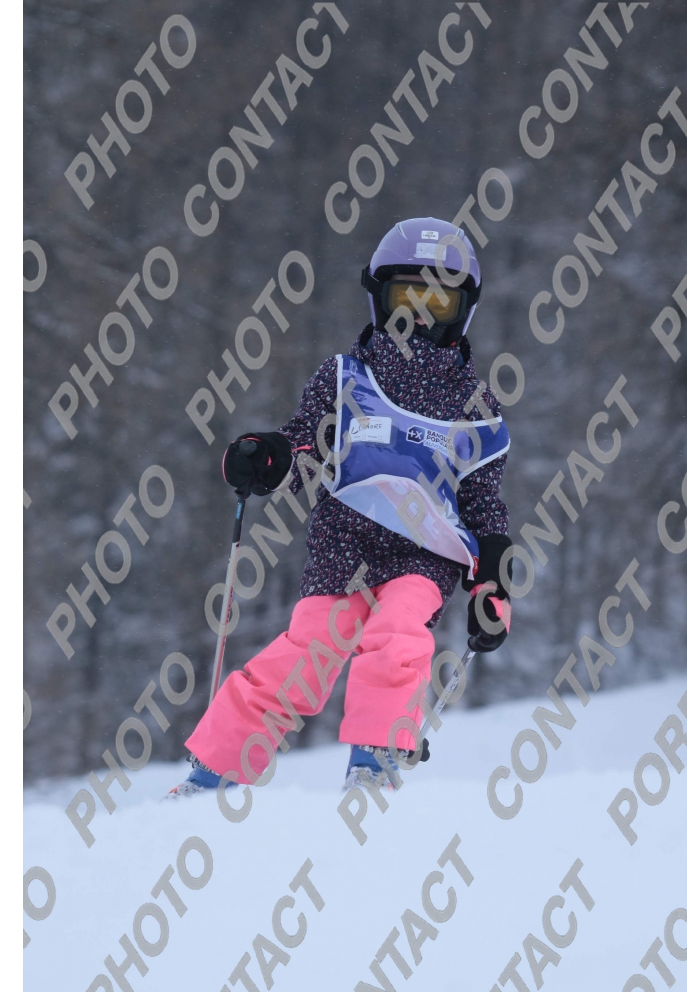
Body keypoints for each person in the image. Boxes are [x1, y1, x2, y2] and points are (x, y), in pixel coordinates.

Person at [168, 217, 513, 797]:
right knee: (309, 650)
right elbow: (307, 445)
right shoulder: (347, 379)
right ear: (380, 298)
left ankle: (373, 762)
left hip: (424, 552)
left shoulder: (475, 407)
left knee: (398, 633)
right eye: (407, 298)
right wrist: (270, 457)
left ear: (463, 309)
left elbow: (483, 507)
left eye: (438, 302)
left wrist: (491, 583)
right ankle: (215, 772)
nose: (421, 317)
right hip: (345, 543)